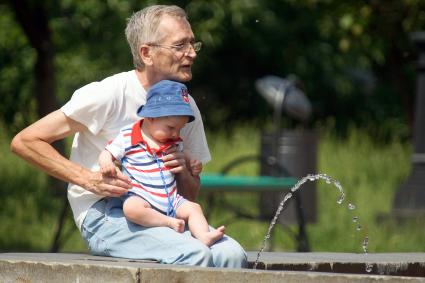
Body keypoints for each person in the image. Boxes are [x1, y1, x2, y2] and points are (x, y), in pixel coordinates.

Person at [10, 4, 247, 267]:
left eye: (193, 44)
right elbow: (26, 141)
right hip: (104, 212)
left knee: (232, 256)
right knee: (194, 254)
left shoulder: (186, 106)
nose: (191, 53)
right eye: (180, 45)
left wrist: (185, 173)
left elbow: (189, 198)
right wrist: (87, 179)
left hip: (165, 211)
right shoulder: (109, 93)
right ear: (147, 53)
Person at [98, 80, 225, 247]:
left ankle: (203, 235)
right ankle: (168, 222)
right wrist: (106, 163)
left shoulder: (173, 141)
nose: (175, 134)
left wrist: (193, 163)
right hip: (142, 197)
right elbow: (107, 152)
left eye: (179, 129)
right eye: (171, 127)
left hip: (172, 199)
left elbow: (185, 154)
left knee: (194, 208)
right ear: (150, 117)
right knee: (131, 209)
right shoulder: (129, 136)